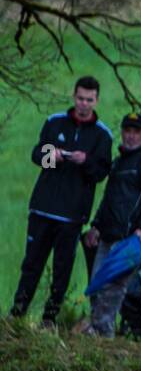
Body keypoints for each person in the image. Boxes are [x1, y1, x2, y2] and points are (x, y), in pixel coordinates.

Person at [10, 76, 113, 327]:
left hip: (72, 216)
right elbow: (36, 155)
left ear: (96, 100)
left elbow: (101, 173)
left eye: (89, 100)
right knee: (31, 264)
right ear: (73, 96)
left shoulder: (103, 135)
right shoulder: (54, 122)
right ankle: (17, 313)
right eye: (80, 98)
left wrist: (84, 161)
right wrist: (52, 156)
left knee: (62, 269)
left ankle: (49, 317)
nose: (84, 104)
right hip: (43, 208)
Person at [82, 112, 141, 337]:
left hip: (129, 239)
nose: (130, 136)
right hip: (107, 235)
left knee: (113, 288)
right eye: (127, 131)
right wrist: (96, 226)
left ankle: (101, 334)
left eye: (136, 131)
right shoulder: (119, 163)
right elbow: (108, 199)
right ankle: (98, 333)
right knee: (97, 285)